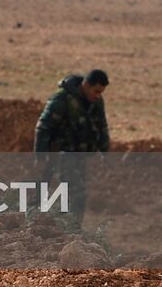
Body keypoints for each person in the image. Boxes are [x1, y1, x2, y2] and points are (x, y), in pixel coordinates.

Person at [33, 69, 110, 227]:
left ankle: (67, 229)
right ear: (86, 85)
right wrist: (40, 156)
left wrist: (105, 151)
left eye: (101, 92)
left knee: (71, 193)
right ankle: (69, 230)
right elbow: (43, 127)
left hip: (79, 155)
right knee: (75, 193)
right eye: (96, 91)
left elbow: (102, 126)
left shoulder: (96, 101)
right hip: (62, 155)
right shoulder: (62, 99)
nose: (97, 95)